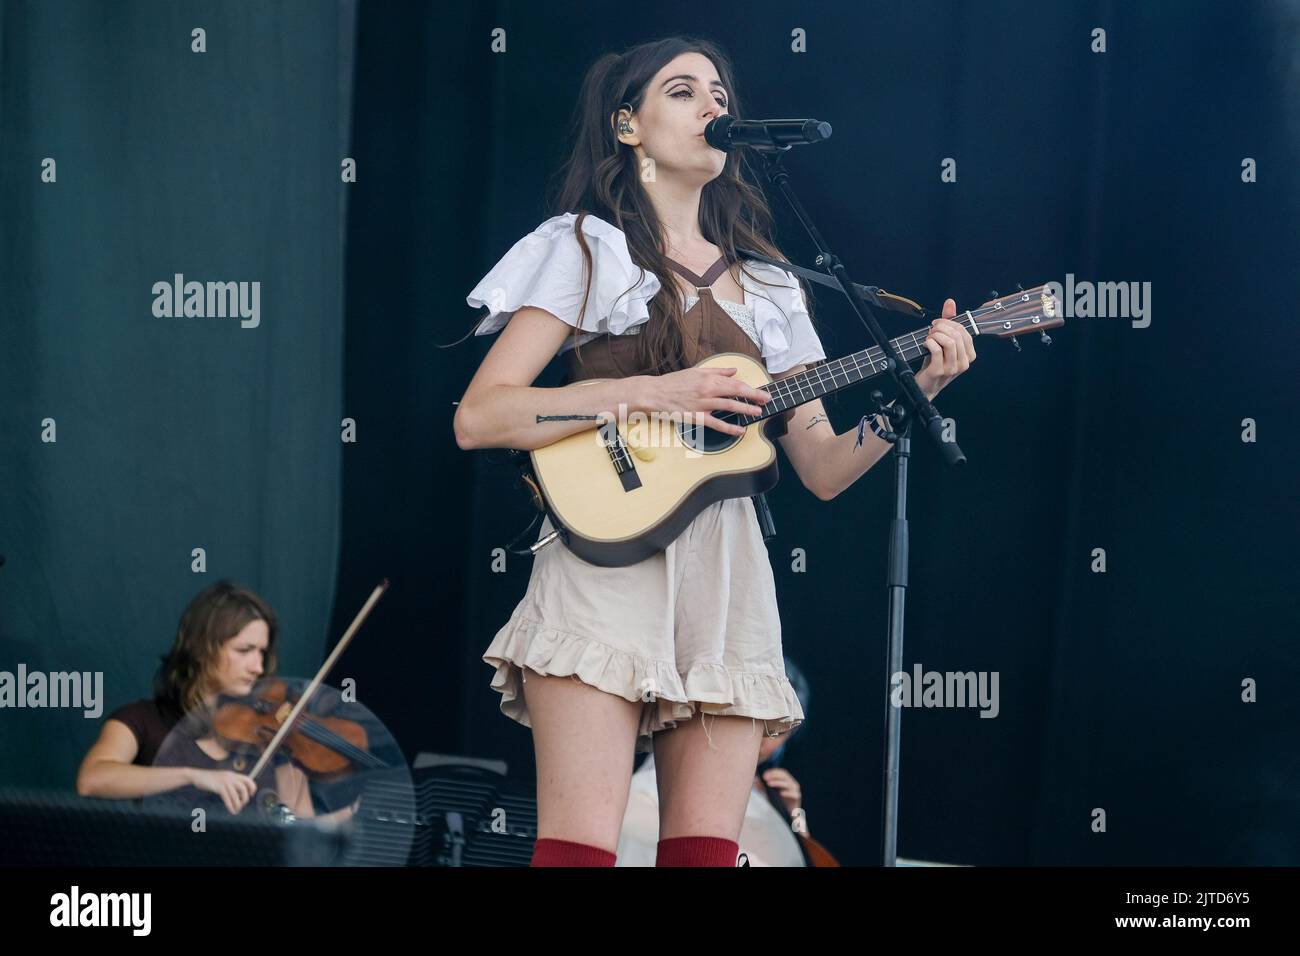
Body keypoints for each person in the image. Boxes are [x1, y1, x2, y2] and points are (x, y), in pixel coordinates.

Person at [454, 36, 975, 867]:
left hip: (727, 565)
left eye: (719, 94)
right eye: (683, 90)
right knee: (578, 854)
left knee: (702, 856)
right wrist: (655, 393)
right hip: (603, 559)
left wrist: (920, 394)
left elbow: (824, 468)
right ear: (627, 124)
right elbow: (481, 417)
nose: (712, 107)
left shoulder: (772, 284)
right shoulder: (586, 247)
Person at [77, 579, 320, 819]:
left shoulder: (267, 740)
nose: (258, 667)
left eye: (262, 653)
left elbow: (306, 838)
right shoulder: (141, 719)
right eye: (244, 650)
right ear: (202, 649)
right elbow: (92, 779)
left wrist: (339, 817)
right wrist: (191, 776)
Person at [616, 657, 815, 866]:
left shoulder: (771, 791)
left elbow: (804, 856)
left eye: (778, 731)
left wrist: (795, 811)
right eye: (758, 722)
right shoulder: (672, 770)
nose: (762, 737)